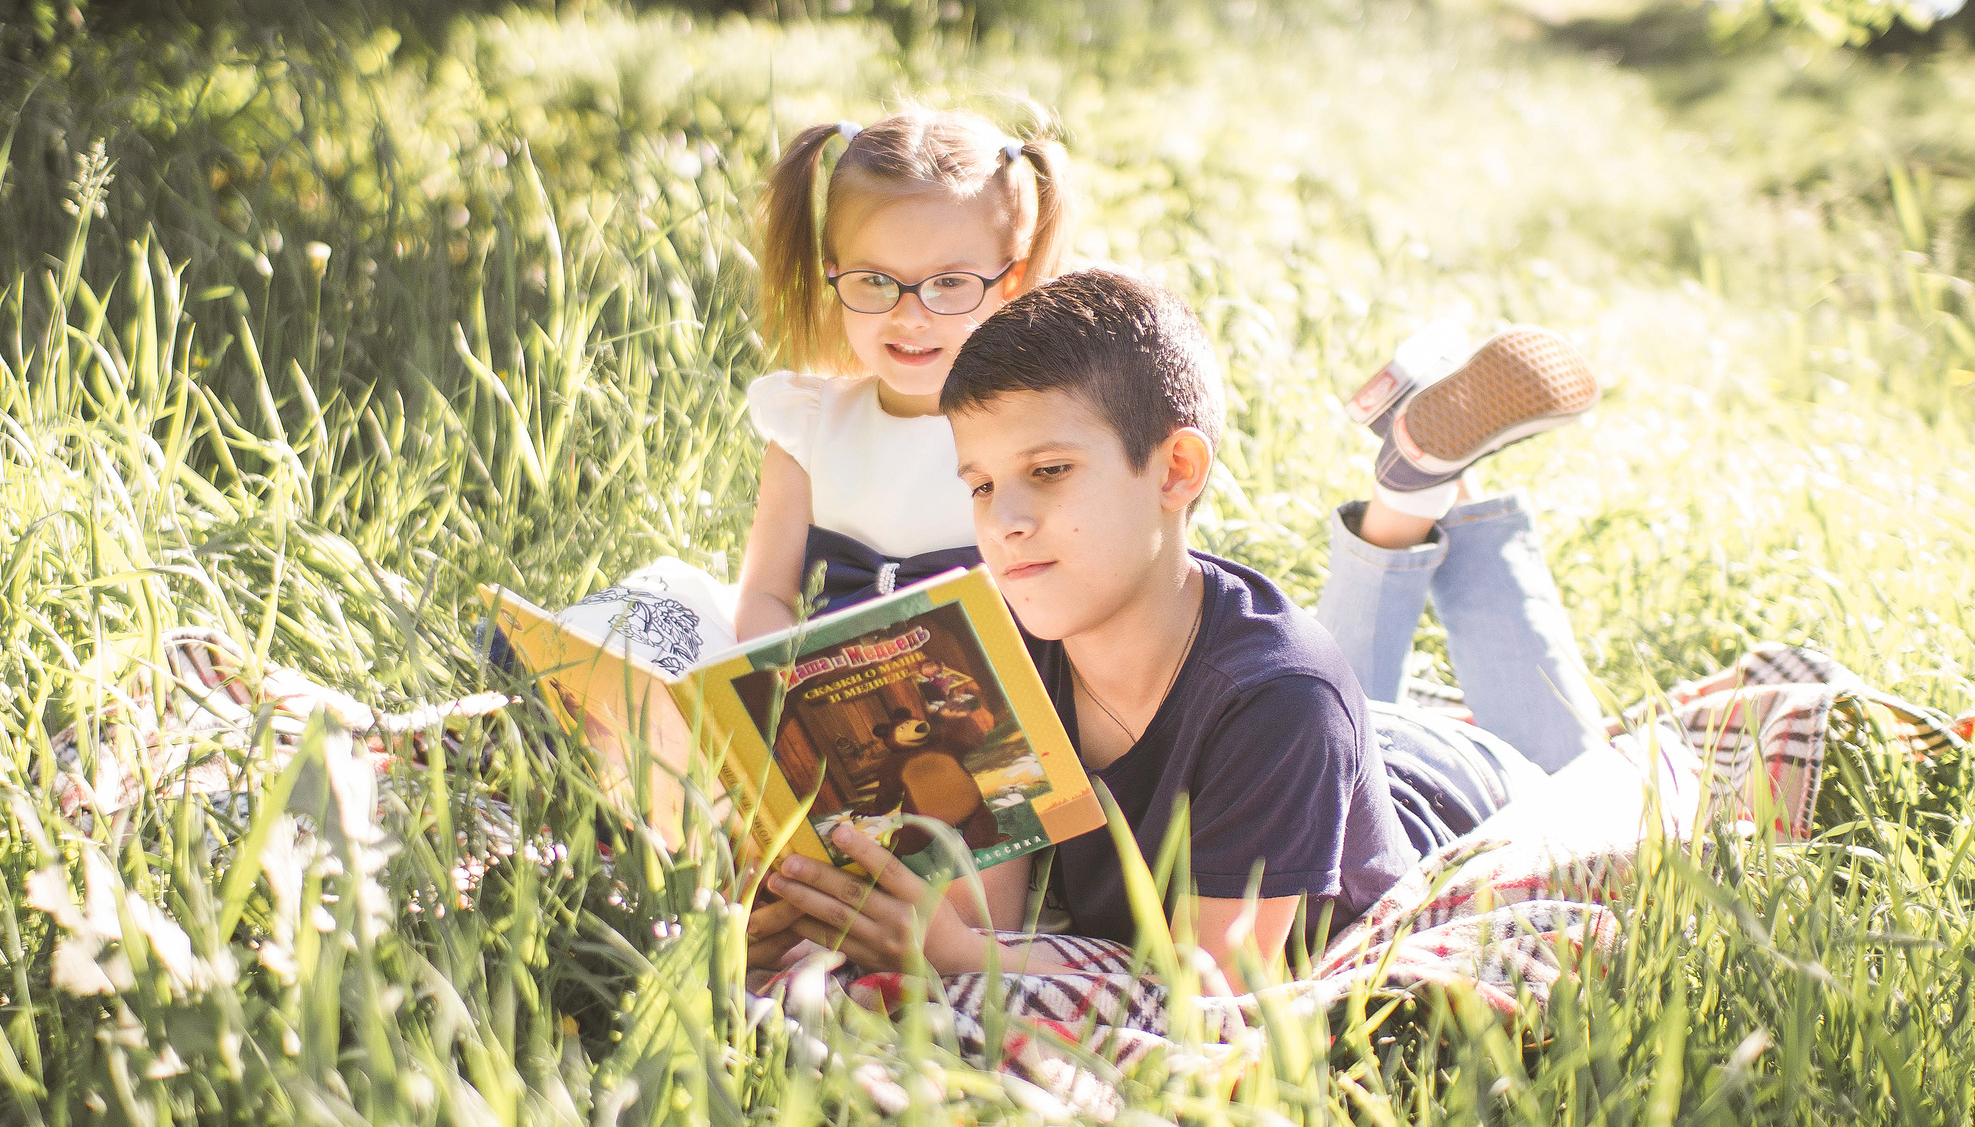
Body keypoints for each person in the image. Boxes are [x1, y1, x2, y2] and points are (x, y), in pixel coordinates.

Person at [750, 266, 1606, 992]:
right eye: (979, 486)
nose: (1003, 522)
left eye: (1049, 471)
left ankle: (1419, 489)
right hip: (1319, 739)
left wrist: (966, 956)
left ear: (1177, 470)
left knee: (1592, 777)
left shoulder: (1282, 702)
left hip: (1454, 787)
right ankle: (1414, 485)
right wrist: (818, 909)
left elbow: (1216, 984)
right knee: (1326, 692)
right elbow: (984, 911)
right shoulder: (996, 640)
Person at [489, 108, 1074, 677]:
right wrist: (791, 683)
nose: (910, 315)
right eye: (875, 281)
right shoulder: (813, 425)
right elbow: (766, 595)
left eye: (949, 283)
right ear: (832, 272)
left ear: (1011, 281)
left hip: (967, 692)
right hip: (813, 680)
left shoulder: (1036, 435)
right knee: (623, 639)